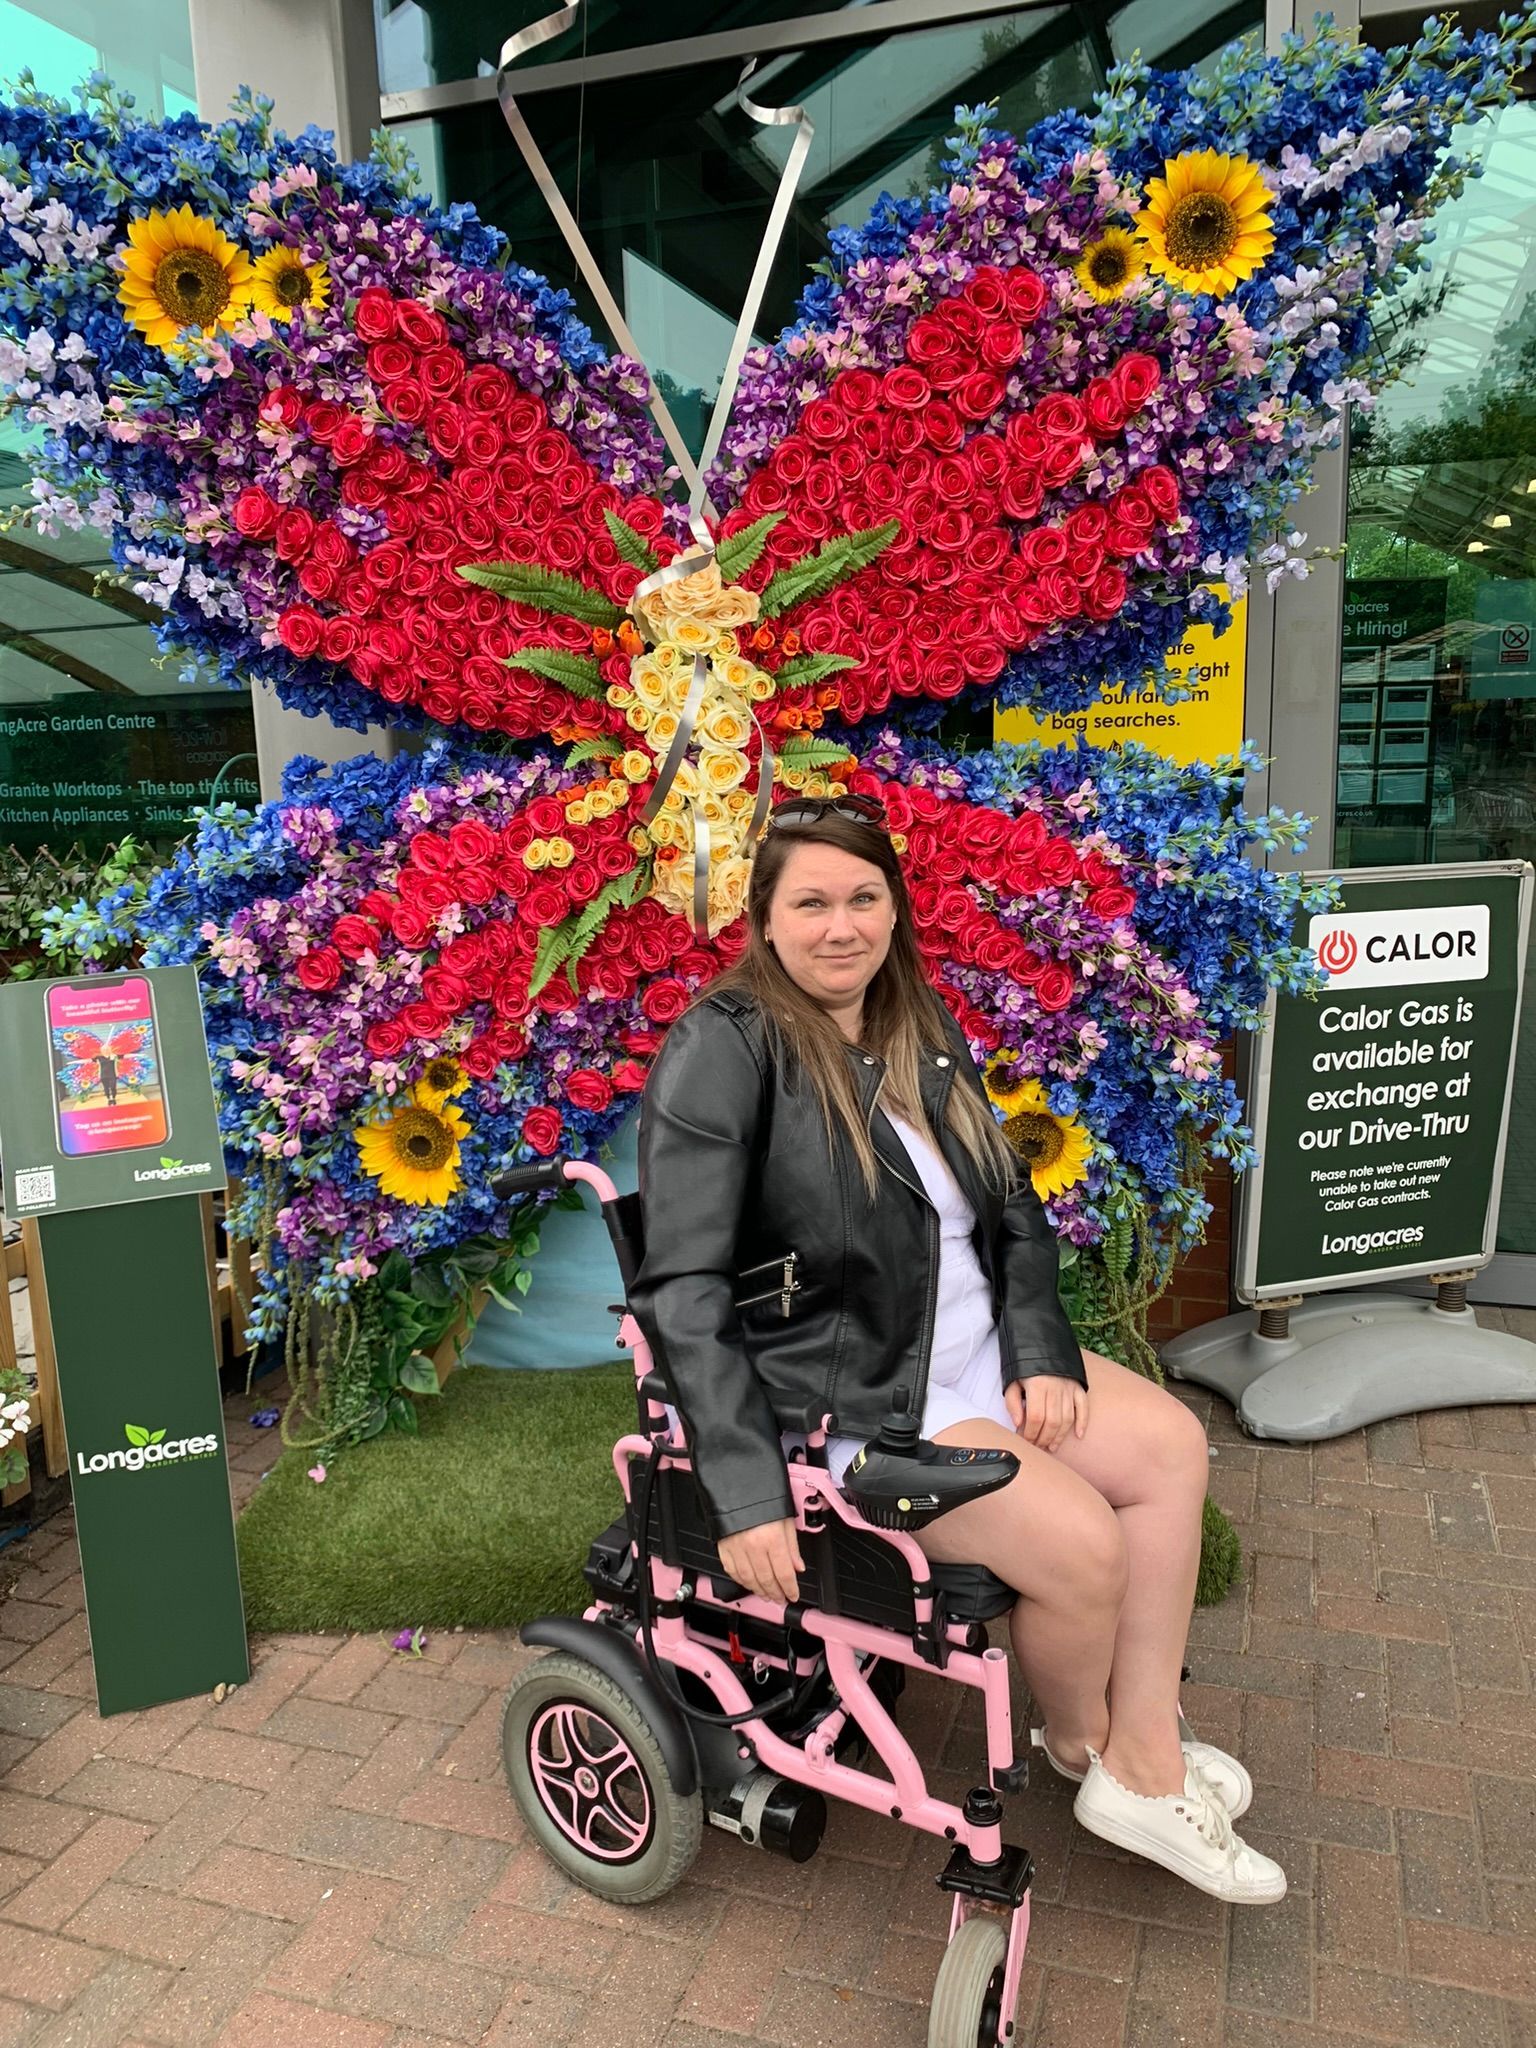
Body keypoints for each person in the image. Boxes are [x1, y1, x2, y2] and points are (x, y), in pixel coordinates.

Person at [630, 793, 1285, 1905]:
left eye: (864, 897)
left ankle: (1142, 1748)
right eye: (812, 902)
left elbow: (1013, 1211)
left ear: (895, 904)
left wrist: (1038, 1349)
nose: (842, 926)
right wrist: (745, 1495)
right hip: (859, 1395)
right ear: (765, 916)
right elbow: (684, 1287)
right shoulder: (727, 1045)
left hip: (975, 1354)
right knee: (1083, 1548)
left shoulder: (914, 1022)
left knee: (1173, 1447)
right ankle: (1105, 1757)